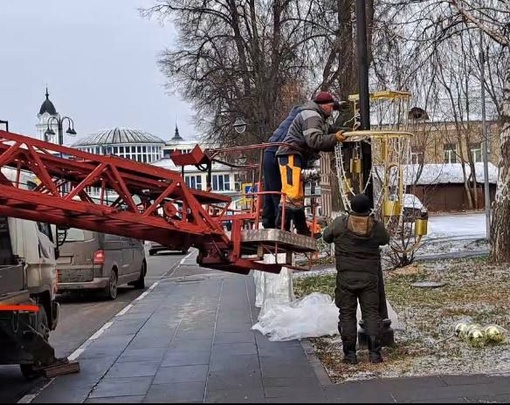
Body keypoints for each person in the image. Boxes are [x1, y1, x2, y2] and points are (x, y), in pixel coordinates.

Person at [322, 193, 390, 364]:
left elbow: (326, 236)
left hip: (346, 278)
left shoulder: (341, 223)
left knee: (346, 314)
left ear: (351, 207)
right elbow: (385, 239)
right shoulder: (375, 226)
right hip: (369, 278)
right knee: (372, 314)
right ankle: (375, 354)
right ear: (368, 209)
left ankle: (350, 355)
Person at [274, 91, 345, 236]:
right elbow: (314, 140)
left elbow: (328, 131)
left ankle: (299, 229)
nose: (332, 110)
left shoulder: (316, 115)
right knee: (292, 194)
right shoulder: (312, 116)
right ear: (323, 106)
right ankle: (282, 228)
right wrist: (335, 138)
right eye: (330, 107)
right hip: (290, 155)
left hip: (294, 155)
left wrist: (345, 133)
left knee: (297, 196)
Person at [261, 105, 301, 229]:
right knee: (283, 192)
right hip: (280, 154)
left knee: (269, 191)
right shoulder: (302, 119)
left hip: (269, 152)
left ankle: (268, 224)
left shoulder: (292, 117)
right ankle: (282, 226)